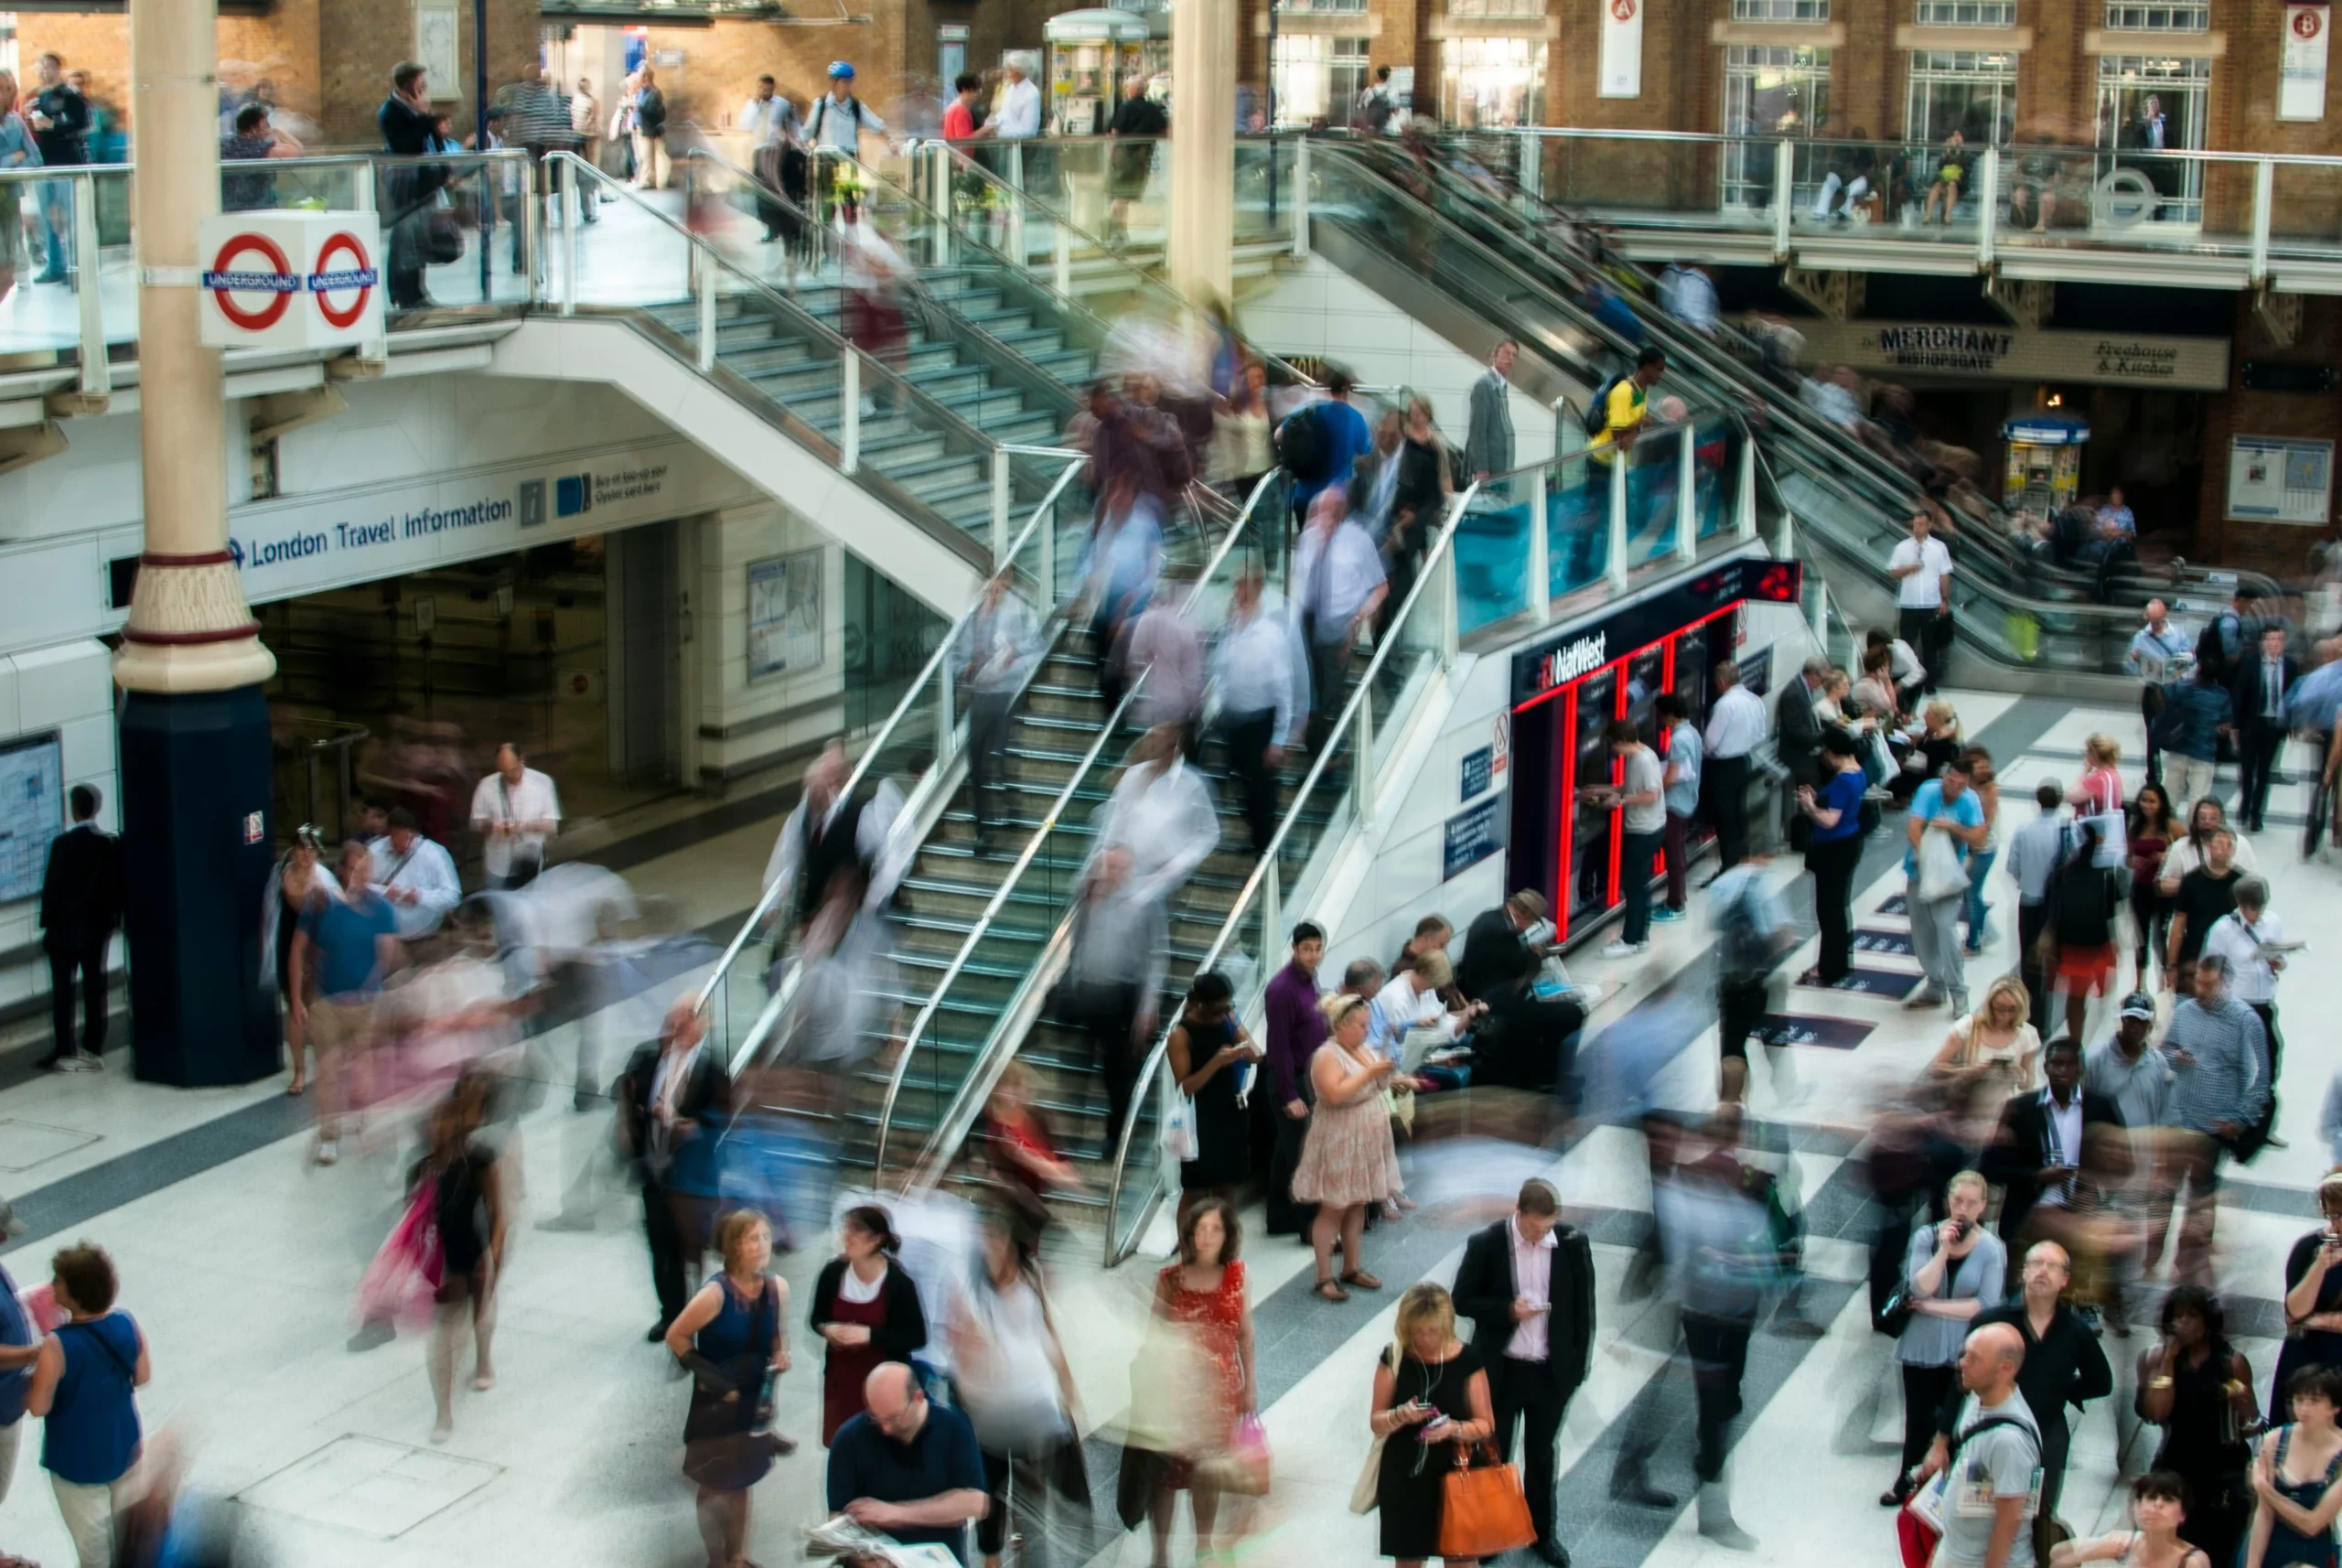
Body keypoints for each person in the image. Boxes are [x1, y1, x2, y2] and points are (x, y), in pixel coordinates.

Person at [1929, 1242, 2112, 1548]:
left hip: (2046, 1434)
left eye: (2052, 1266)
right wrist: (1941, 1440)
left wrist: (2063, 1390)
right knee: (1978, 1517)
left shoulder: (2075, 1331)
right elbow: (1959, 1382)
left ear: (2065, 1279)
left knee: (2036, 1520)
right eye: (2036, 1263)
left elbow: (2102, 1381)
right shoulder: (1992, 1321)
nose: (2043, 1271)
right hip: (1990, 1429)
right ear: (2023, 1271)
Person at [1452, 1179, 1592, 1566]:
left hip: (1549, 1373)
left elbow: (1584, 1312)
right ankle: (1492, 1533)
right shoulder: (1487, 1244)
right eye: (1533, 1228)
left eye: (1547, 1228)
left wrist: (1576, 1369)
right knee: (1493, 1453)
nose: (1540, 1235)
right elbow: (1461, 1300)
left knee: (1542, 1455)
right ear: (1519, 1212)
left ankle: (1541, 1532)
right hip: (1502, 1370)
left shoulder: (1572, 1244)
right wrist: (1507, 1310)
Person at [952, 1210, 1080, 1568]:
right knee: (990, 1486)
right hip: (988, 1411)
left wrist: (1066, 1384)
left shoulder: (1030, 1277)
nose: (992, 1248)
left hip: (1033, 1403)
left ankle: (1029, 1546)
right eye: (986, 1242)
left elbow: (1047, 1329)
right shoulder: (970, 1290)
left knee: (1031, 1483)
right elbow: (961, 1344)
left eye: (998, 1241)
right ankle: (992, 1554)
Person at [667, 1209, 790, 1568]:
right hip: (716, 1406)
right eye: (753, 1238)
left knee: (742, 1482)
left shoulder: (776, 1289)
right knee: (714, 1484)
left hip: (753, 1403)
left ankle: (737, 1556)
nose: (762, 1245)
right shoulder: (714, 1295)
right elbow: (677, 1336)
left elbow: (778, 1336)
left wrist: (781, 1355)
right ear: (734, 1246)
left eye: (766, 1237)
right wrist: (712, 1378)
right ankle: (715, 1560)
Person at [1148, 1197, 1258, 1568]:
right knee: (1164, 1476)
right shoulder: (1170, 1280)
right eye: (1200, 1230)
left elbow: (1245, 1335)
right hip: (1175, 1392)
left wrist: (1251, 1384)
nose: (1207, 1237)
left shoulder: (1237, 1276)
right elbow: (1152, 1339)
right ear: (1189, 1235)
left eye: (1215, 1229)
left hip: (1220, 1394)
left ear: (1227, 1235)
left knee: (1207, 1473)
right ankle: (1160, 1554)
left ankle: (1203, 1545)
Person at [1886, 1171, 2006, 1506]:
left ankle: (1943, 1491)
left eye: (1971, 1203)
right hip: (1921, 1345)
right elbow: (1920, 1284)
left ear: (1983, 1206)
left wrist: (1931, 1307)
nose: (1962, 1209)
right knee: (1917, 1418)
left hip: (1963, 1350)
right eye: (1957, 1201)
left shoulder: (1992, 1249)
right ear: (1947, 1201)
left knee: (1951, 1423)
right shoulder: (1926, 1236)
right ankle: (1906, 1482)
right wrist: (1943, 1251)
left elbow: (1985, 1305)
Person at [27, 1242, 147, 1568]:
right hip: (124, 1447)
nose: (52, 1285)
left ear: (74, 1291)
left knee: (95, 1555)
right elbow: (143, 1375)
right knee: (132, 1547)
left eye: (58, 1280)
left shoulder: (58, 1344)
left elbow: (38, 1406)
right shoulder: (126, 1323)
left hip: (77, 1462)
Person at [618, 998, 731, 1342]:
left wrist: (691, 1127)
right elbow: (625, 1093)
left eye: (690, 1017)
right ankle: (670, 1314)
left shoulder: (712, 1072)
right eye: (675, 1017)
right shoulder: (648, 1059)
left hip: (691, 1180)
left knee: (690, 1250)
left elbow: (723, 1122)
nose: (679, 1024)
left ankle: (695, 1316)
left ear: (703, 1024)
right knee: (660, 1246)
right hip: (654, 1172)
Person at [2157, 956, 2272, 1283]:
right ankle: (2152, 1250)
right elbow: (2164, 1049)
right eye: (2199, 983)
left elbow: (2260, 1077)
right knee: (2164, 1190)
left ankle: (2188, 1261)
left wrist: (2241, 1118)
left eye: (2209, 984)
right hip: (2179, 1120)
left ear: (2226, 983)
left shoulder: (2245, 1021)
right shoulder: (2186, 1012)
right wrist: (2174, 1057)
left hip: (2211, 1128)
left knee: (2200, 1196)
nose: (2201, 990)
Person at [290, 839, 403, 1165]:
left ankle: (363, 1116)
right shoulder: (321, 904)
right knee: (327, 1071)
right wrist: (297, 998)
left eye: (366, 869)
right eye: (355, 869)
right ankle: (329, 1135)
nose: (361, 876)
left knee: (365, 1071)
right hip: (328, 1002)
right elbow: (298, 948)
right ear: (342, 870)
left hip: (368, 1003)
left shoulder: (381, 909)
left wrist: (384, 991)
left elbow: (388, 953)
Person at [1366, 1283, 1495, 1568]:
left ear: (1446, 1326)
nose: (1423, 1339)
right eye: (1416, 1331)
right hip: (1405, 1476)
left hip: (1457, 1473)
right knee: (1409, 1559)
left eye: (1431, 1331)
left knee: (1461, 1560)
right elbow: (1376, 1421)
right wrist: (1400, 1415)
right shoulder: (1394, 1358)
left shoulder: (1468, 1360)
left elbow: (1485, 1424)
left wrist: (1454, 1429)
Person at [2137, 1285, 2259, 1568]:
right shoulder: (2155, 1359)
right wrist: (2168, 1359)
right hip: (2177, 1463)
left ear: (2207, 1321)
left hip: (2222, 1471)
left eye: (2191, 1316)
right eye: (2177, 1317)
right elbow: (2156, 1412)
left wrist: (2240, 1401)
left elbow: (2249, 1416)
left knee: (2219, 1552)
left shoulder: (2231, 1362)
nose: (2183, 1324)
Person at [1060, 843, 1169, 1157]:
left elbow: (1157, 955)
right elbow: (1077, 941)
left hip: (1124, 994)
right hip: (1088, 992)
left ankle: (1116, 1137)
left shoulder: (1145, 901)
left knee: (1117, 1072)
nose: (1113, 874)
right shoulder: (1089, 896)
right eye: (1109, 867)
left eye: (1119, 867)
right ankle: (1072, 1134)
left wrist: (1149, 1005)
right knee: (1078, 1065)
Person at [825, 1362, 988, 1565]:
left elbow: (975, 1502)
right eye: (876, 1417)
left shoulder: (953, 1425)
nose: (884, 1428)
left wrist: (895, 1513)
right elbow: (837, 1517)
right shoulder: (849, 1438)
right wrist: (862, 1559)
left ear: (918, 1398)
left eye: (893, 1418)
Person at [1295, 993, 1401, 1302]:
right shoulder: (1327, 1055)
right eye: (1362, 1025)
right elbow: (1334, 1095)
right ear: (1341, 1025)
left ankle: (1351, 1267)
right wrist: (1370, 1073)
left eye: (1368, 1025)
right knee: (1333, 1207)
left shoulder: (1363, 1048)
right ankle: (1323, 1275)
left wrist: (1387, 1070)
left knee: (1357, 1203)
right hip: (1340, 1136)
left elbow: (1377, 1084)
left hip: (1366, 1134)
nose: (1367, 1031)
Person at [1910, 1322, 2040, 1568]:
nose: (1962, 1363)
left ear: (2005, 1368)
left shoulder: (2009, 1441)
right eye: (1964, 1355)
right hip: (1955, 1554)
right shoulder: (1977, 1398)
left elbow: (2008, 1524)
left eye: (1974, 1359)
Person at [420, 1079, 505, 1443]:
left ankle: (484, 1357)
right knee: (444, 1333)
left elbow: (498, 1212)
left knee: (480, 1312)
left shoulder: (479, 1158)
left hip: (473, 1249)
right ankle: (443, 1411)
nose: (439, 1127)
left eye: (446, 1120)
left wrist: (495, 1257)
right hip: (444, 1256)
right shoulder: (427, 1166)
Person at [1982, 1039, 2127, 1250]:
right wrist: (2036, 1175)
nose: (2061, 1070)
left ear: (2080, 1068)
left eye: (2069, 1064)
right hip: (2030, 1217)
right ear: (2045, 1067)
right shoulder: (2021, 1109)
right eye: (2055, 1063)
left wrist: (2096, 1186)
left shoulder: (2100, 1107)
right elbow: (1990, 1168)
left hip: (2083, 1217)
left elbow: (2122, 1160)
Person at [1209, 562, 1308, 858]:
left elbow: (1283, 690)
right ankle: (1255, 839)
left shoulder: (1270, 635)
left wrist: (1279, 738)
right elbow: (1222, 671)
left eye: (1242, 587)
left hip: (1260, 723)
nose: (1237, 593)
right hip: (1234, 721)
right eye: (1236, 587)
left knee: (1261, 791)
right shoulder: (1232, 630)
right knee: (1240, 784)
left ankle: (1266, 848)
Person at [811, 1207, 929, 1452]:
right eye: (846, 1229)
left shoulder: (899, 1284)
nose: (847, 1236)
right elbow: (816, 1318)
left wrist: (871, 1335)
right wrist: (827, 1329)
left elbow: (917, 1336)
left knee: (879, 1451)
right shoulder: (833, 1274)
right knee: (844, 1449)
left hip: (884, 1389)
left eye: (857, 1230)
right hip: (841, 1382)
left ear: (876, 1240)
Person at [38, 783, 123, 1074]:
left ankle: (64, 1047)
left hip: (63, 931)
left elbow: (51, 889)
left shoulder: (62, 845)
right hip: (96, 930)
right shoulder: (107, 845)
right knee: (94, 986)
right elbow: (114, 888)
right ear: (96, 809)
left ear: (74, 810)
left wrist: (47, 924)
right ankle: (93, 1045)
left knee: (63, 990)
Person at [1293, 486, 1389, 742]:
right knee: (1308, 694)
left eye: (1330, 511)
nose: (1323, 516)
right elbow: (1300, 582)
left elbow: (1381, 587)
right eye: (1320, 510)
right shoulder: (1308, 538)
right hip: (1307, 623)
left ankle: (1328, 751)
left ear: (1341, 512)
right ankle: (1320, 747)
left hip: (1340, 628)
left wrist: (1359, 618)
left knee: (1329, 698)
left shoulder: (1358, 540)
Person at [954, 569, 1040, 854]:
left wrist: (1014, 654)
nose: (996, 588)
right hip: (980, 695)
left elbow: (1035, 643)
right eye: (992, 582)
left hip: (1006, 693)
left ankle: (1011, 803)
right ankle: (983, 830)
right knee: (977, 764)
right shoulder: (972, 617)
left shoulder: (1018, 610)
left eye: (1002, 582)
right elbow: (956, 656)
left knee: (1002, 753)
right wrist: (965, 669)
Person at [1906, 756, 1990, 1015]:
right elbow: (1914, 827)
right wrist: (1925, 857)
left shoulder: (1969, 801)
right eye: (1949, 780)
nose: (1951, 787)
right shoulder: (1928, 791)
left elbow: (1979, 838)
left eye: (1958, 784)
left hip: (1949, 878)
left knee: (1946, 930)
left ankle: (1958, 991)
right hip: (1919, 872)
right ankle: (1935, 984)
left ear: (1966, 785)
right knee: (1922, 932)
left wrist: (1953, 827)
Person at [1167, 972, 1258, 1212]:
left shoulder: (1228, 1018)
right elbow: (1185, 1086)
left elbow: (1256, 1054)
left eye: (1226, 1006)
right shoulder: (1181, 1034)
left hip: (1229, 1111)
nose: (1223, 1013)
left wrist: (1243, 1045)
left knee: (1226, 1187)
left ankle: (1224, 1245)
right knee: (1195, 1190)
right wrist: (1216, 1062)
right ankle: (1189, 1248)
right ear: (1201, 1004)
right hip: (1199, 1119)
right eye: (1217, 1009)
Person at [1261, 922, 1327, 1239]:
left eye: (1317, 948)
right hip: (1291, 1079)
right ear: (1294, 949)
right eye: (1307, 949)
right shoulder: (1281, 989)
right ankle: (1307, 1227)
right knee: (1303, 1154)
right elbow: (1279, 1045)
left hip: (1308, 1077)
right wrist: (1289, 1093)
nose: (1313, 955)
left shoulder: (1309, 980)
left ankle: (1278, 1219)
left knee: (1285, 1152)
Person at [2245, 1366, 2342, 1568]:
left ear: (2334, 1407)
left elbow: (2313, 1524)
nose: (2303, 1409)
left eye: (2314, 1401)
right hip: (2272, 1547)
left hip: (2315, 1555)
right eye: (2298, 1400)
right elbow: (2264, 1513)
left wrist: (2264, 1489)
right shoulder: (2274, 1440)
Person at [1797, 731, 1869, 983]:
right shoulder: (1858, 772)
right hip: (1849, 842)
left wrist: (1809, 807)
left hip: (1834, 849)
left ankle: (1829, 966)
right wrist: (1817, 799)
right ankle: (1837, 962)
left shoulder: (1843, 782)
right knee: (1838, 907)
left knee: (1828, 910)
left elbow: (1829, 820)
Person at [2202, 875, 2285, 1086]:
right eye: (2252, 908)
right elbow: (2209, 968)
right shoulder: (2222, 930)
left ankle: (2265, 1096)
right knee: (2235, 1060)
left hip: (2264, 1003)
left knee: (2271, 1051)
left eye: (2261, 907)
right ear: (2240, 905)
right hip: (2236, 1006)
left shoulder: (2273, 923)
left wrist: (2279, 963)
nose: (2257, 913)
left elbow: (2282, 959)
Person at [2048, 820, 2124, 1044]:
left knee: (2076, 997)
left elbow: (2054, 911)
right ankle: (2091, 1041)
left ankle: (2076, 1041)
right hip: (2099, 945)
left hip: (2072, 946)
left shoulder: (2063, 873)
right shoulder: (2106, 874)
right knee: (2101, 996)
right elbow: (2113, 913)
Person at [2005, 780, 2071, 1033]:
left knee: (2030, 965)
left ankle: (2033, 1021)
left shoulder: (2024, 830)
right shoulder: (2067, 828)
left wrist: (2029, 879)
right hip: (2059, 905)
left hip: (2031, 901)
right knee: (2055, 962)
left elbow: (2013, 866)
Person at [2272, 1174, 2342, 1412]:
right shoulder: (2309, 1247)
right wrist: (2320, 1266)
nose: (2337, 1223)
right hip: (2307, 1354)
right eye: (2332, 1215)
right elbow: (2294, 1313)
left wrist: (2321, 1320)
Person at [1601, 718, 1668, 959]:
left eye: (1613, 744)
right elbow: (1631, 787)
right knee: (1640, 886)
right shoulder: (1641, 755)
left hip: (1644, 831)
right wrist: (1601, 790)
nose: (1612, 750)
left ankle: (1630, 939)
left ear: (1622, 741)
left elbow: (1651, 794)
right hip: (1649, 829)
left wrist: (1620, 801)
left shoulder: (1642, 760)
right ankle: (1640, 937)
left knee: (1634, 887)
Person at [2051, 1471, 2211, 1568]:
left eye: (2168, 1499)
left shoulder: (2192, 1561)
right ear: (2137, 1507)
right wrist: (2097, 1548)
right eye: (2151, 1497)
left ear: (2182, 1515)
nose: (2157, 1505)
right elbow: (2057, 1554)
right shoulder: (2125, 1542)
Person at [1929, 975, 2044, 1101]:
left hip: (2003, 1105)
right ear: (1990, 1004)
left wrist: (2019, 1075)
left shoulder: (2027, 1034)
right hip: (1965, 1101)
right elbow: (1937, 1066)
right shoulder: (1968, 1026)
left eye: (2011, 1009)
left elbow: (2029, 1082)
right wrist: (1970, 1071)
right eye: (1999, 1008)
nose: (2004, 1015)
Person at [2232, 627, 2301, 835]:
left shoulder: (2290, 666)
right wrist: (2235, 725)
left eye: (2279, 639)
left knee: (2264, 772)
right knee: (2247, 770)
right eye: (2271, 639)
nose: (2274, 644)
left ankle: (2256, 814)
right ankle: (2245, 805)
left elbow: (2294, 697)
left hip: (2274, 726)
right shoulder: (2250, 662)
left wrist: (2292, 725)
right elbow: (2239, 693)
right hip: (2251, 724)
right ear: (2263, 642)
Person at [26, 53, 85, 286]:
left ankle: (77, 265)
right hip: (44, 164)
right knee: (45, 219)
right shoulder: (37, 97)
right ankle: (55, 266)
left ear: (58, 69)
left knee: (70, 217)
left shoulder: (70, 95)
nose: (44, 71)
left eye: (49, 67)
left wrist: (54, 125)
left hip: (66, 163)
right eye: (40, 67)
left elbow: (83, 124)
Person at [1703, 658, 1767, 874]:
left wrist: (1706, 754)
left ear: (1721, 682)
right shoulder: (1754, 700)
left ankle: (1729, 865)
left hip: (1724, 767)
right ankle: (1742, 857)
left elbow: (1710, 742)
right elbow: (1761, 734)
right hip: (1744, 762)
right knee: (1740, 814)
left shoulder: (1724, 705)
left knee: (1725, 818)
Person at [469, 742, 560, 891]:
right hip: (498, 862)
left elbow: (551, 825)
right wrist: (492, 826)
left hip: (530, 860)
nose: (509, 775)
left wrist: (524, 826)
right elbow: (476, 822)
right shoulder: (486, 785)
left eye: (513, 769)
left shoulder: (542, 782)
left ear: (521, 760)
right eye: (504, 772)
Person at [2164, 827, 2242, 993]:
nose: (2224, 848)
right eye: (2219, 843)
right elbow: (2178, 924)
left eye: (2229, 845)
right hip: (2194, 955)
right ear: (2209, 846)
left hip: (2229, 960)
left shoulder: (2241, 883)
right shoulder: (2192, 880)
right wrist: (2171, 965)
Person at [365, 807, 461, 941]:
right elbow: (359, 886)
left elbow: (452, 896)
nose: (400, 843)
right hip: (383, 933)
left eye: (406, 837)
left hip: (424, 932)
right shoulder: (375, 851)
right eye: (394, 836)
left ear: (414, 834)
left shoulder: (434, 853)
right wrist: (383, 892)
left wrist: (419, 896)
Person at [1889, 510, 1956, 694]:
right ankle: (1905, 680)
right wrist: (1909, 569)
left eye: (1920, 524)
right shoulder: (1902, 547)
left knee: (1930, 646)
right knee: (1906, 644)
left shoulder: (1939, 548)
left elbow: (1944, 574)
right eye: (1915, 524)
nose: (1916, 528)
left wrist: (1944, 600)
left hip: (1930, 603)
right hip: (1909, 603)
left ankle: (1929, 682)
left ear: (1929, 526)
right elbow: (1893, 572)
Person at [1652, 693, 1704, 923]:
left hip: (1674, 804)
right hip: (1687, 800)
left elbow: (1672, 775)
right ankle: (1676, 898)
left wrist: (1654, 790)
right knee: (1677, 852)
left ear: (1669, 715)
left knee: (1673, 855)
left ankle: (1676, 904)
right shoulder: (1692, 732)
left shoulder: (1679, 740)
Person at [2157, 661, 2231, 813]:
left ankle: (2167, 826)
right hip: (2205, 751)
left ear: (2198, 670)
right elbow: (2225, 725)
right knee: (2198, 798)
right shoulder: (2222, 695)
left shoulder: (2183, 688)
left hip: (2179, 747)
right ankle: (2194, 831)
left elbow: (2163, 693)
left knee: (2171, 793)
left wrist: (2176, 678)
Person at [2128, 781, 2181, 987]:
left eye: (2152, 801)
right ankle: (2139, 986)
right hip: (2140, 888)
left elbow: (2186, 847)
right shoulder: (2136, 826)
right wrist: (2133, 862)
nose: (2147, 805)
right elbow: (2127, 855)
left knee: (2162, 938)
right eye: (2144, 800)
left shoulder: (2170, 825)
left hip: (2163, 890)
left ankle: (2164, 984)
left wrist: (2167, 856)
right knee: (2139, 939)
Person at [740, 75, 801, 245]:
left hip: (776, 154)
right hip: (760, 151)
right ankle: (770, 227)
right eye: (761, 88)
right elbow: (745, 125)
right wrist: (754, 104)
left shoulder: (783, 105)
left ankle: (782, 227)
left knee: (776, 193)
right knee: (760, 193)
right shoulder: (753, 105)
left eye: (767, 89)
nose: (764, 92)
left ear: (773, 88)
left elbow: (794, 125)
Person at [1104, 75, 1166, 243]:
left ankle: (1115, 229)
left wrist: (1110, 154)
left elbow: (1115, 132)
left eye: (1128, 87)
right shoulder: (1153, 109)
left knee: (1119, 194)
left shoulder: (1126, 107)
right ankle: (1119, 230)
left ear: (1133, 89)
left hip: (1123, 155)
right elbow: (1163, 130)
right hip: (1142, 155)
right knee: (1126, 194)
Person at [1466, 340, 1518, 483]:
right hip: (1490, 470)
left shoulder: (1501, 386)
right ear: (1495, 355)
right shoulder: (1484, 385)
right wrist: (1481, 468)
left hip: (1502, 467)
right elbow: (1478, 430)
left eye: (1514, 355)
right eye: (1507, 353)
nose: (1511, 358)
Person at [630, 67, 668, 188]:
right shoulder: (642, 91)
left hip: (649, 128)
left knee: (647, 156)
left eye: (640, 76)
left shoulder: (654, 92)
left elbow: (651, 110)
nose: (638, 79)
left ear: (645, 77)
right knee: (643, 156)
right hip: (641, 128)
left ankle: (648, 181)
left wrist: (638, 107)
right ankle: (646, 179)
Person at [941, 72, 983, 140]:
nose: (979, 93)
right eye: (975, 89)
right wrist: (985, 130)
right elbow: (964, 140)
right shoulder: (960, 110)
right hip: (958, 150)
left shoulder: (955, 106)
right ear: (965, 90)